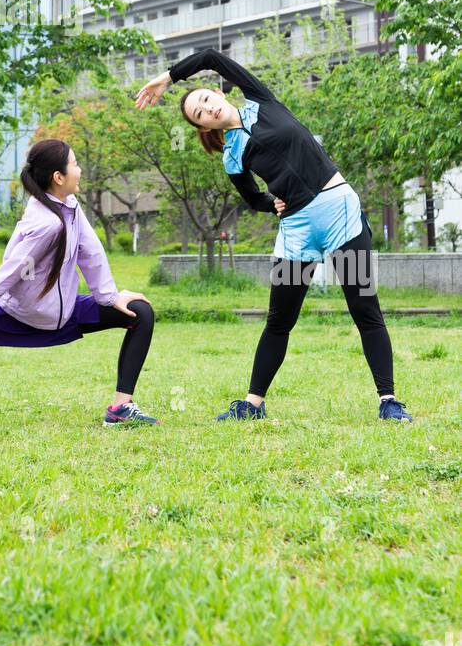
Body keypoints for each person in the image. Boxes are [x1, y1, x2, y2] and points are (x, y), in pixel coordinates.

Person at [135, 47, 413, 423]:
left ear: (217, 93)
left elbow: (210, 56)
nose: (207, 109)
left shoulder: (260, 100)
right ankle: (252, 404)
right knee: (279, 320)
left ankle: (389, 401)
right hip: (297, 231)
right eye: (199, 114)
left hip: (338, 213)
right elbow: (253, 197)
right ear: (204, 128)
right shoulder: (231, 155)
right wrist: (272, 205)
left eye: (205, 100)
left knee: (364, 308)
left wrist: (168, 78)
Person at [0, 138, 158, 427]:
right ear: (58, 177)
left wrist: (110, 297)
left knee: (140, 311)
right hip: (12, 316)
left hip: (64, 314)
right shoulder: (47, 223)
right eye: (75, 164)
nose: (79, 170)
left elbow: (90, 252)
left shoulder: (69, 206)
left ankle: (121, 408)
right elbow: (12, 270)